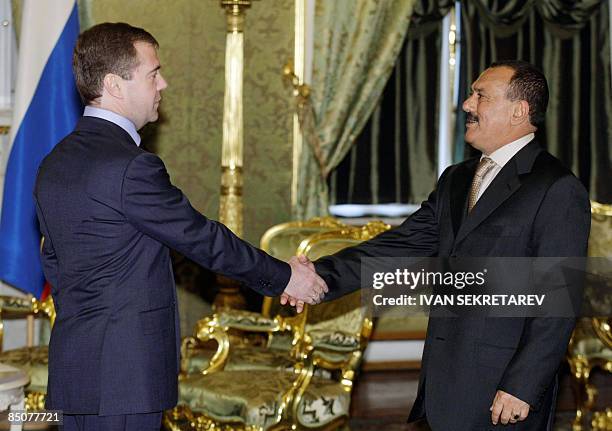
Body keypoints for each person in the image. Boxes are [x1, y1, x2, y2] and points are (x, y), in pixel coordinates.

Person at [34, 22, 327, 431]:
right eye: (153, 73)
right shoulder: (131, 166)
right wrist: (285, 278)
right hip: (125, 378)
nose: (163, 84)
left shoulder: (54, 163)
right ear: (115, 85)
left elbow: (54, 262)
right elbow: (204, 239)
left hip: (74, 369)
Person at [287, 60, 591, 430]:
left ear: (519, 111)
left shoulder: (556, 188)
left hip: (504, 391)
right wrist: (318, 275)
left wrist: (522, 386)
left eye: (480, 95)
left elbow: (558, 303)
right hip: (445, 382)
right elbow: (400, 246)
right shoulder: (458, 178)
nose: (466, 104)